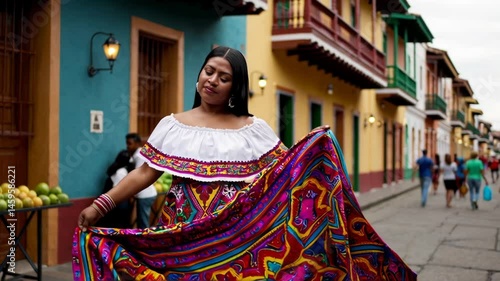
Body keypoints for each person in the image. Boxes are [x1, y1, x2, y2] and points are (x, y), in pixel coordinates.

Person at [73, 46, 415, 280]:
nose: (213, 80)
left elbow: (286, 175)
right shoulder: (173, 125)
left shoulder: (253, 131)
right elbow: (144, 173)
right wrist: (101, 206)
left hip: (239, 240)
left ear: (235, 88)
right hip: (182, 237)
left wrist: (316, 150)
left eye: (224, 78)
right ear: (199, 75)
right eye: (209, 71)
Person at [95, 149, 134, 228]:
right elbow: (118, 189)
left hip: (113, 200)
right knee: (119, 224)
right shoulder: (121, 171)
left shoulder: (117, 169)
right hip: (118, 201)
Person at [126, 133, 157, 228]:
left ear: (137, 143)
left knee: (142, 223)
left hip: (145, 194)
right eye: (126, 143)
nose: (127, 146)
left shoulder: (139, 155)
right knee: (142, 221)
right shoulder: (136, 155)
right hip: (146, 194)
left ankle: (145, 241)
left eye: (130, 143)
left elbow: (139, 177)